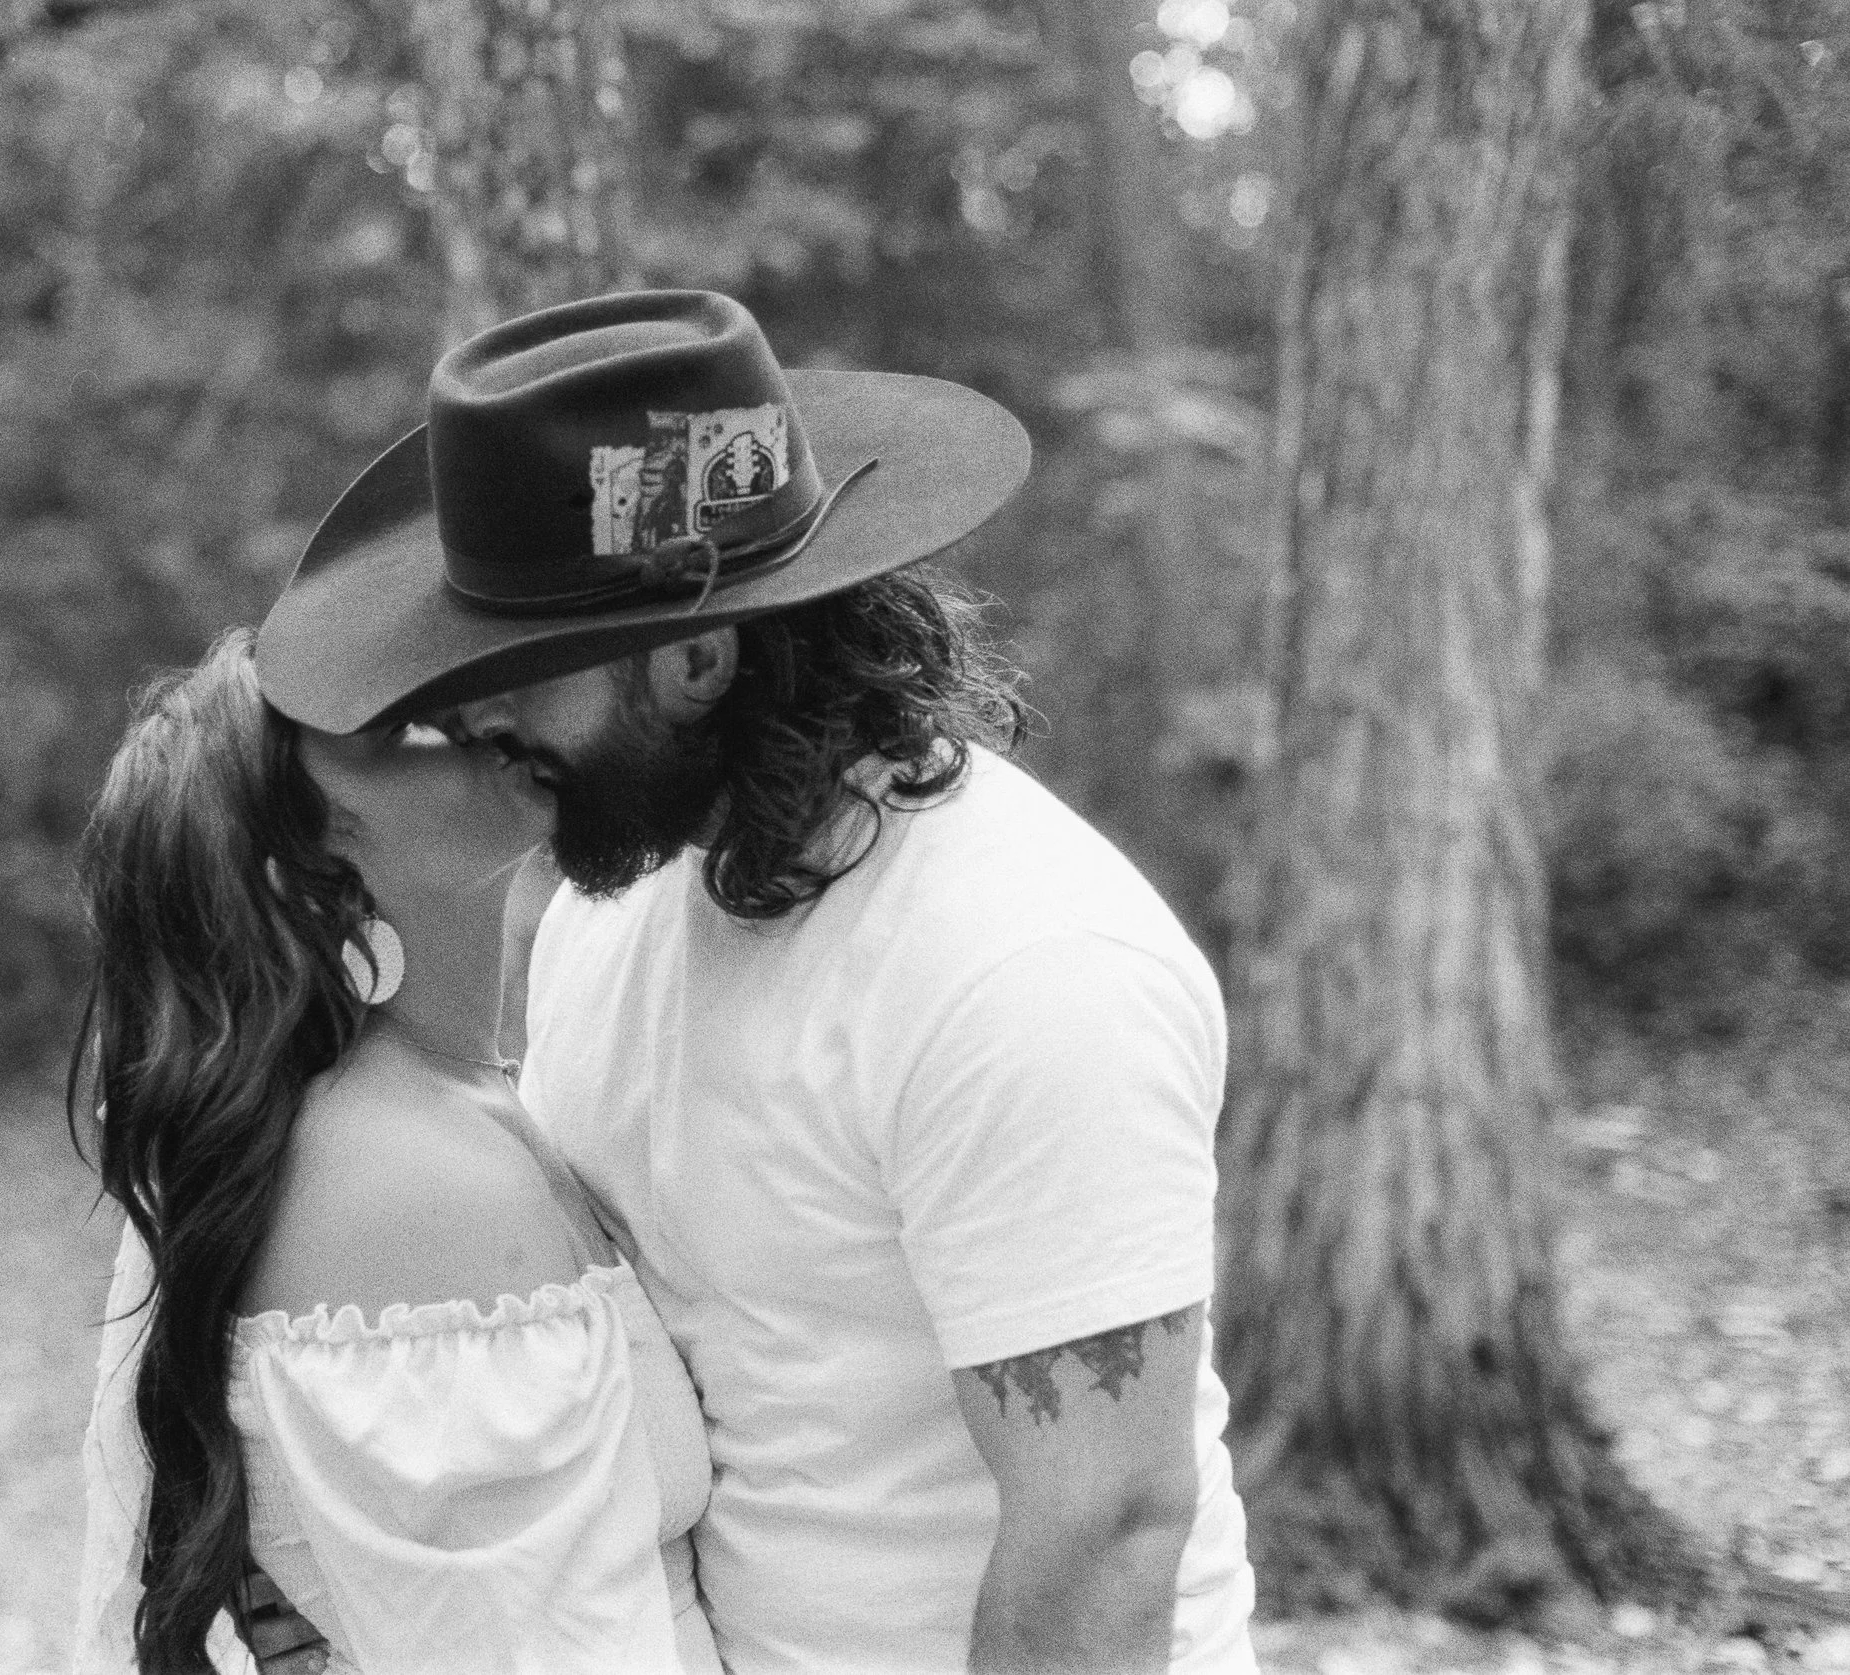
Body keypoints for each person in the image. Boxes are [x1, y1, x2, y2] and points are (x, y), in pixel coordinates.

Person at [252, 289, 1256, 1671]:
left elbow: (1108, 1530)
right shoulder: (615, 907)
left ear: (694, 656)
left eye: (523, 673)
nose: (473, 715)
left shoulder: (1023, 966)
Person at [68, 632, 719, 1675]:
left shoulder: (453, 1100)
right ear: (307, 873)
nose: (489, 716)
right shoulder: (405, 1185)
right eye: (405, 725)